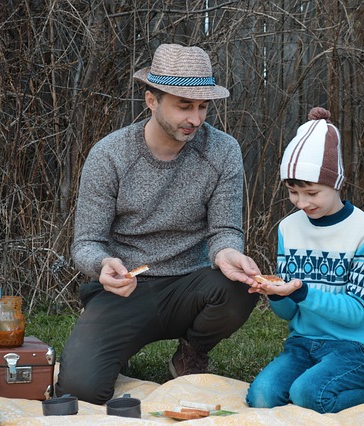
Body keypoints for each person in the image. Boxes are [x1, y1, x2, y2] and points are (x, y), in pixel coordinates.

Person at [55, 43, 260, 405]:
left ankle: (192, 351)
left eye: (202, 106)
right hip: (128, 288)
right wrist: (102, 265)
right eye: (184, 105)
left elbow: (224, 230)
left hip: (192, 285)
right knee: (81, 390)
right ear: (152, 100)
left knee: (240, 288)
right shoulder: (110, 155)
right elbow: (86, 242)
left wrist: (228, 252)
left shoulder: (223, 150)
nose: (196, 119)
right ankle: (118, 343)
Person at [245, 107, 364, 414]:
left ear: (337, 183)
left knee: (309, 395)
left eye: (312, 192)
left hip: (357, 348)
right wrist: (274, 294)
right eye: (293, 192)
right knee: (261, 397)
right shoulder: (288, 227)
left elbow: (355, 313)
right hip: (303, 343)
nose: (302, 203)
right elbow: (288, 313)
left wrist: (300, 292)